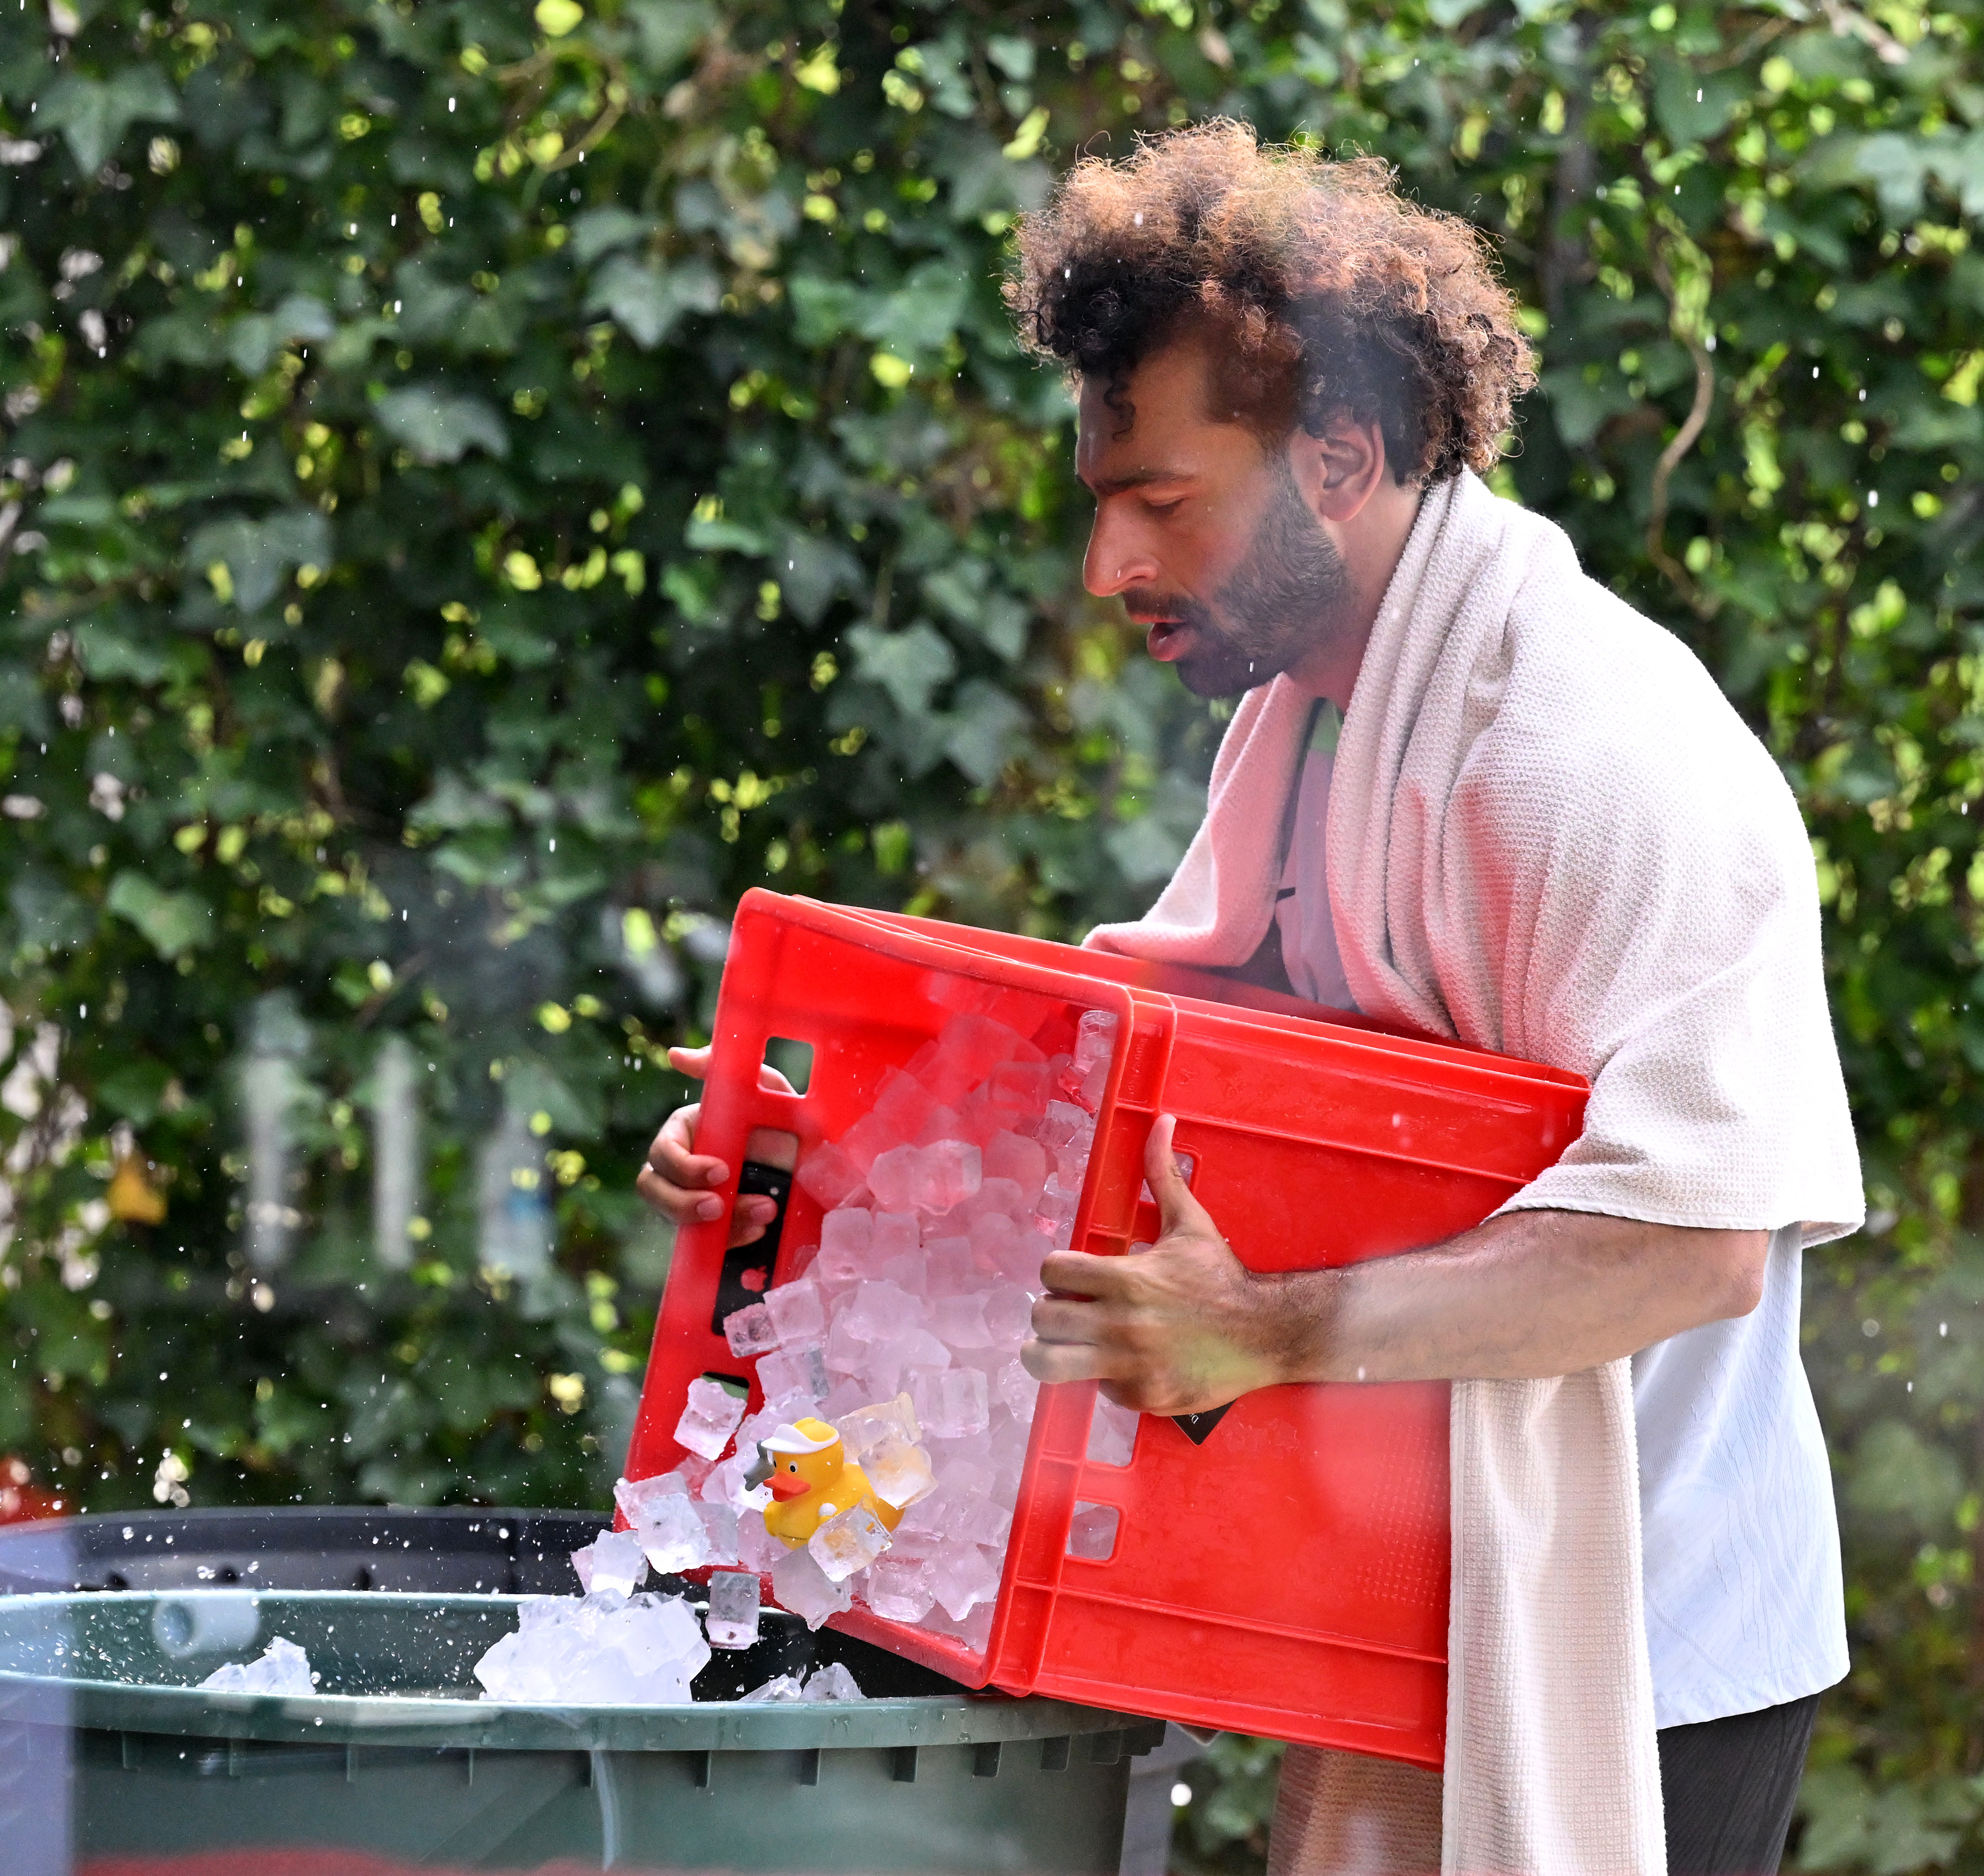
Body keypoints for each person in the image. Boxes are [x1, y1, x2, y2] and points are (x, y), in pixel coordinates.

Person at [641, 121, 1863, 1876]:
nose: (1109, 568)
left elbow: (1692, 1245)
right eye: (1101, 504)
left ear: (1342, 462)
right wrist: (814, 1157)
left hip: (1648, 1630)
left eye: (1163, 504)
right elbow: (1164, 1094)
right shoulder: (1318, 714)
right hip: (1396, 1599)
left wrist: (1271, 1333)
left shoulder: (1594, 756)